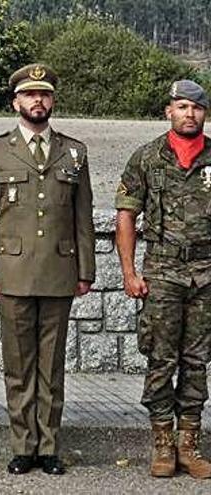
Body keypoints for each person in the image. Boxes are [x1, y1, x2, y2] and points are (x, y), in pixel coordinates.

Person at [0, 63, 95, 476]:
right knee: (19, 365)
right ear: (16, 102)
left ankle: (50, 446)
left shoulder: (74, 151)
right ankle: (23, 445)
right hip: (12, 273)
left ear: (52, 101)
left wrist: (86, 271)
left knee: (52, 365)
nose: (37, 101)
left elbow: (83, 217)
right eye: (29, 95)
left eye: (44, 95)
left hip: (59, 271)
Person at [115, 80, 211, 479]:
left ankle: (189, 445)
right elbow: (126, 215)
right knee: (160, 359)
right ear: (168, 111)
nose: (190, 114)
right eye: (183, 106)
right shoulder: (147, 158)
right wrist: (129, 272)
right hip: (163, 273)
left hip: (206, 273)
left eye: (197, 108)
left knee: (197, 361)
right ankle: (162, 444)